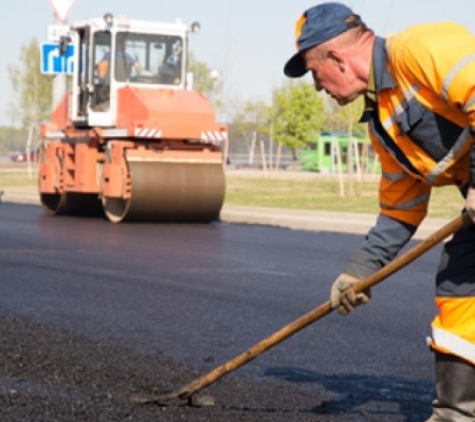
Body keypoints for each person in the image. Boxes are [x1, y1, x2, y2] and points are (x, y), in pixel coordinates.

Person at [284, 3, 475, 421]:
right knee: (459, 282)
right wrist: (360, 271)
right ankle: (455, 415)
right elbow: (401, 210)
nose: (318, 87)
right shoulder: (383, 123)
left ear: (336, 58)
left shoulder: (420, 49)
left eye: (316, 73)